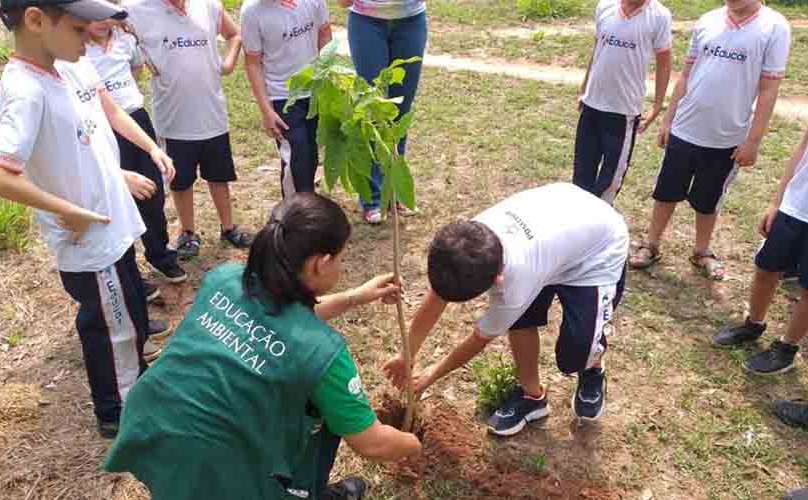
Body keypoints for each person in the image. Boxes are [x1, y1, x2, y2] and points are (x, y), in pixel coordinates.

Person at [103, 193, 422, 500]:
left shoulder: (226, 278)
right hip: (213, 462)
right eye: (340, 258)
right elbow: (373, 444)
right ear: (321, 263)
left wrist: (355, 297)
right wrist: (415, 445)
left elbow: (278, 320)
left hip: (156, 420)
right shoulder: (324, 355)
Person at [0, 0, 176, 438]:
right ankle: (119, 413)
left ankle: (137, 386)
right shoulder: (25, 89)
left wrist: (123, 168)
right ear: (34, 21)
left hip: (114, 224)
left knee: (128, 314)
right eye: (77, 27)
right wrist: (69, 210)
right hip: (89, 239)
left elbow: (93, 130)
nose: (90, 37)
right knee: (111, 329)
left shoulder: (68, 67)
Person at [384, 183, 629, 436]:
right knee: (520, 321)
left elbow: (478, 340)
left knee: (574, 357)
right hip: (556, 227)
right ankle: (533, 397)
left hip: (596, 251)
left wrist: (429, 376)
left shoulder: (514, 285)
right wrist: (407, 353)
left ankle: (593, 368)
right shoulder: (468, 241)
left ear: (497, 280)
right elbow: (438, 295)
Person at [629, 0, 791, 281]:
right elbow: (687, 74)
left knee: (709, 199)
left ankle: (701, 251)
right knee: (666, 191)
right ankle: (651, 244)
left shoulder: (775, 27)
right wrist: (668, 118)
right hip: (685, 128)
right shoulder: (707, 20)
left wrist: (753, 140)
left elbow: (768, 90)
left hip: (727, 137)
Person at [123, 0, 252, 258]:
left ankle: (228, 228)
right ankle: (188, 232)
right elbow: (118, 46)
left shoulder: (208, 5)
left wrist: (227, 63)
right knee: (180, 181)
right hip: (173, 118)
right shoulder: (135, 11)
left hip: (212, 112)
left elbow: (234, 33)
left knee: (219, 175)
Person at [711, 85, 808, 375]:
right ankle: (754, 324)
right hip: (797, 203)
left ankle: (786, 348)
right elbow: (805, 144)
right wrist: (778, 200)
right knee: (766, 268)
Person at [86, 16, 187, 296]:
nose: (104, 21)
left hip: (136, 121)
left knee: (152, 192)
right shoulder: (76, 50)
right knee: (118, 201)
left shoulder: (125, 39)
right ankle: (130, 272)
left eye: (110, 14)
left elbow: (135, 70)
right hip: (104, 129)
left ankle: (160, 255)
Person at [574, 0, 672, 204]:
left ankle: (599, 219)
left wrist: (656, 106)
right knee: (582, 172)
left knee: (611, 178)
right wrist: (584, 88)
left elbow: (664, 63)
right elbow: (597, 49)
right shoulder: (605, 6)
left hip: (623, 111)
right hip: (592, 105)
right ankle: (579, 221)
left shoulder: (659, 16)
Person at [338, 0, 427, 224]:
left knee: (400, 111)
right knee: (372, 110)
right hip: (366, 23)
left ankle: (393, 191)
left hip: (411, 21)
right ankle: (372, 198)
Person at [242, 0, 332, 199]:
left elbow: (324, 33)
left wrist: (327, 80)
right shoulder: (252, 11)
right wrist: (266, 111)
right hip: (282, 96)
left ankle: (307, 210)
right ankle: (296, 215)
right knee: (296, 157)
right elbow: (253, 63)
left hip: (314, 90)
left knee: (311, 153)